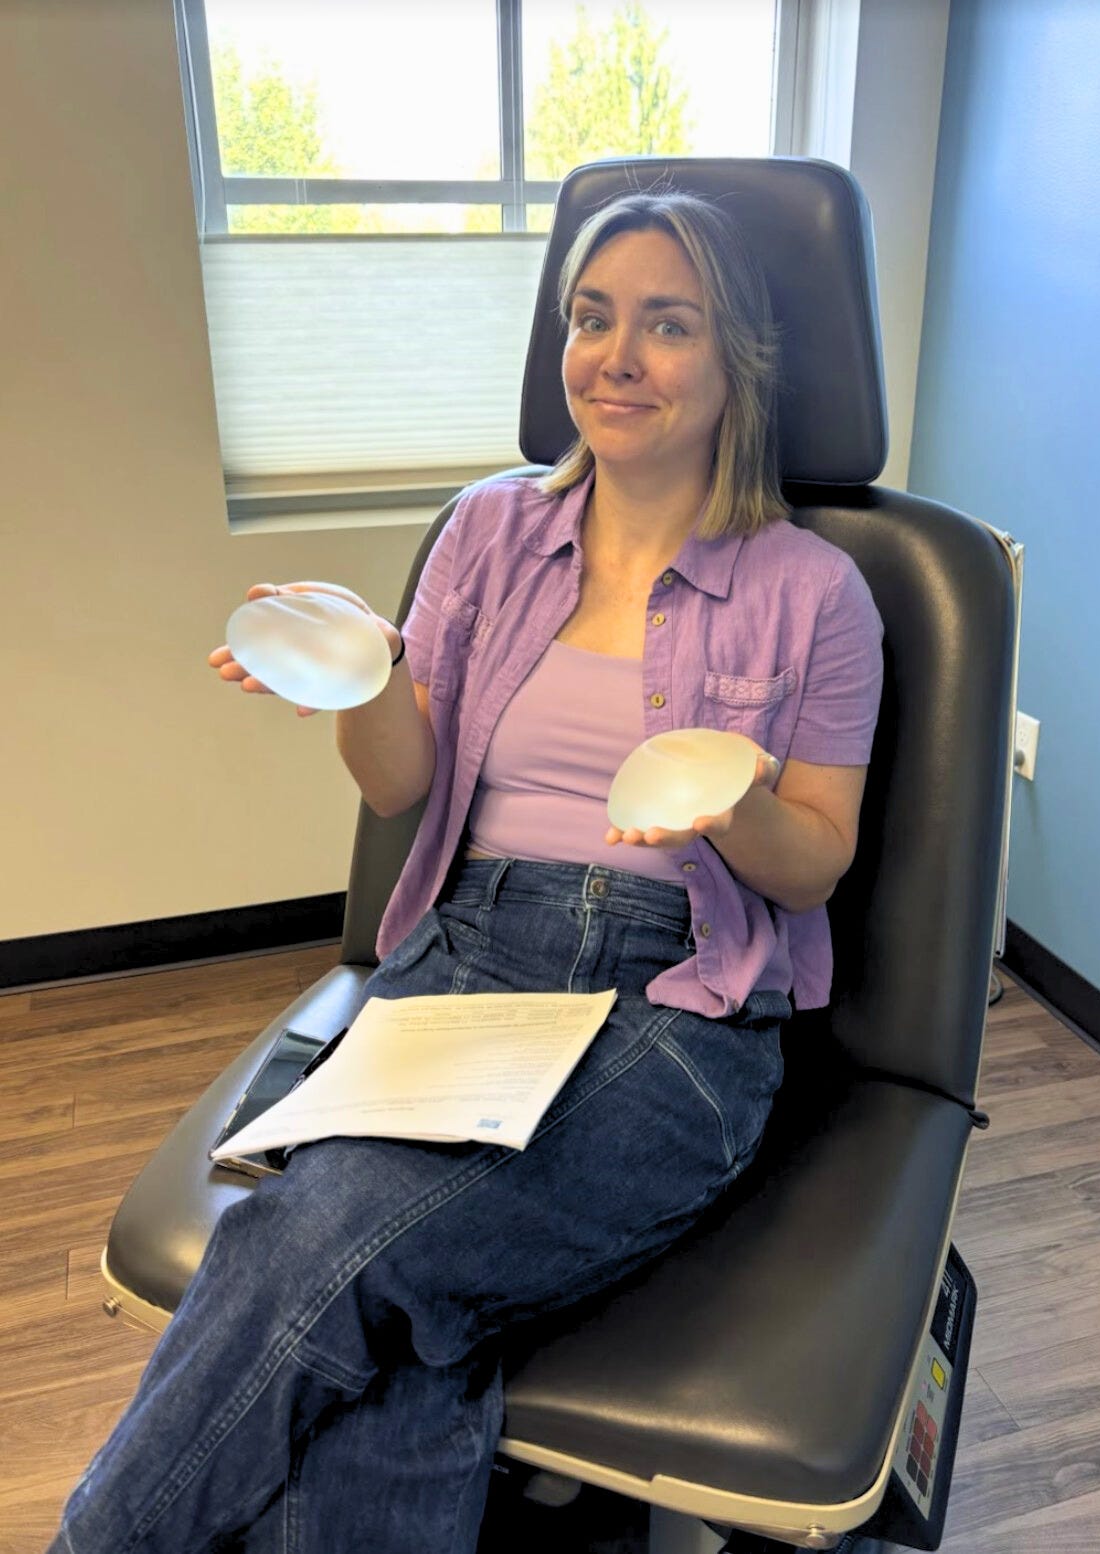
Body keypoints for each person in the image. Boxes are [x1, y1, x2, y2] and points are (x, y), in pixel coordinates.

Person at [50, 190, 883, 1553]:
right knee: (405, 1331)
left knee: (310, 1245)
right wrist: (366, 677)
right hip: (460, 968)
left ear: (736, 360)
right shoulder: (488, 533)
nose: (614, 354)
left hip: (672, 1005)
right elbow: (401, 783)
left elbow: (813, 865)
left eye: (665, 324)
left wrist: (731, 795)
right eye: (591, 315)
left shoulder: (813, 592)